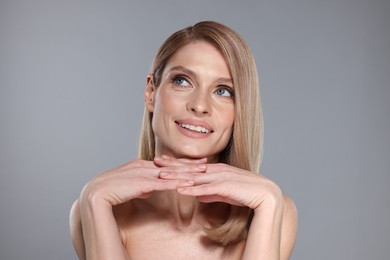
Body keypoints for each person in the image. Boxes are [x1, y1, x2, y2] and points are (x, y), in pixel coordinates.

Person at [69, 20, 297, 259]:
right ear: (151, 92)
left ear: (241, 111)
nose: (199, 105)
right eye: (182, 81)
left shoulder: (272, 209)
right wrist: (94, 199)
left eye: (223, 91)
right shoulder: (99, 207)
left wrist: (269, 202)